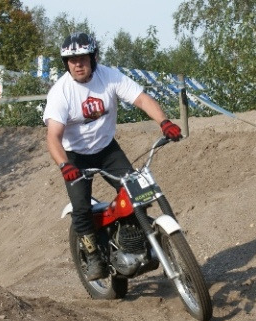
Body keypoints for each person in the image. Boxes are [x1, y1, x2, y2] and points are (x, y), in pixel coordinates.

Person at [43, 32, 183, 281]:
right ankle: (94, 256)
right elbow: (53, 136)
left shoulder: (110, 77)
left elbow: (141, 99)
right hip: (75, 156)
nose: (77, 64)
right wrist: (65, 165)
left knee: (137, 192)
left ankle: (134, 238)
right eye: (71, 60)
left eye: (83, 58)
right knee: (81, 207)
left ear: (93, 58)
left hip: (107, 149)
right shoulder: (60, 92)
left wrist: (164, 122)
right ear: (66, 63)